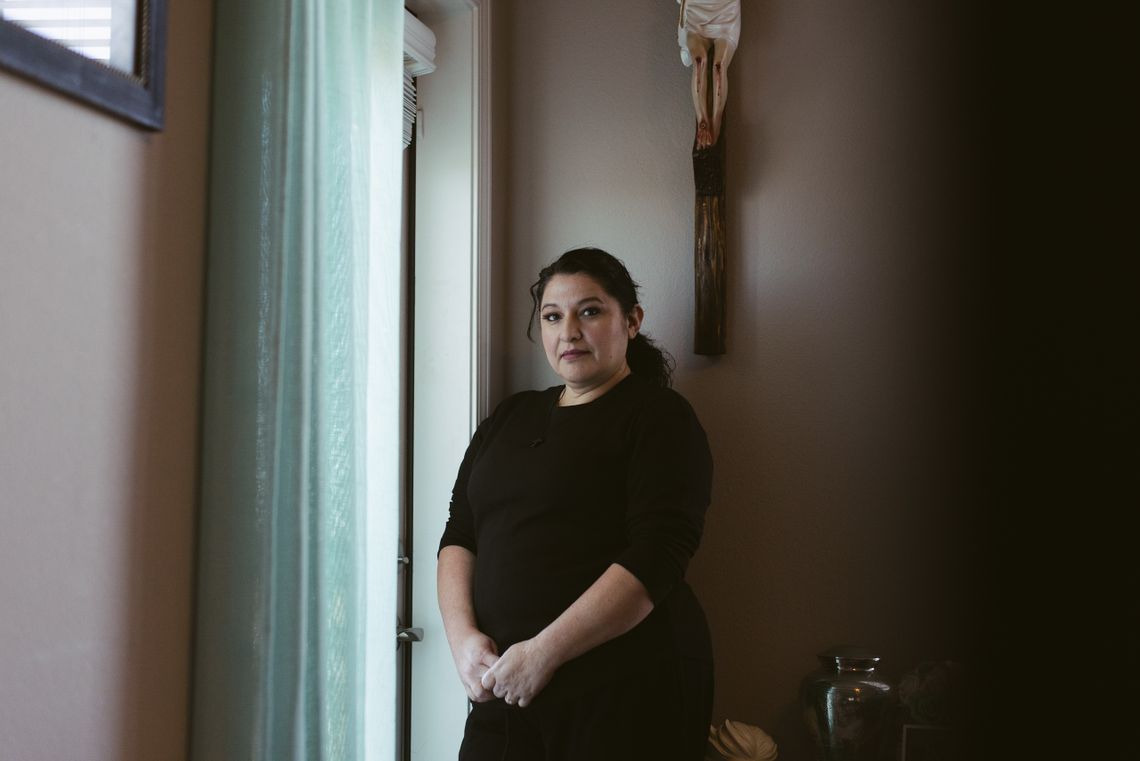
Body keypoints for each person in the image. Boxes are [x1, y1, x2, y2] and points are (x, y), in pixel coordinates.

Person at [437, 247, 715, 760]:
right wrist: (463, 639)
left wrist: (544, 653)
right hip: (506, 685)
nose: (568, 331)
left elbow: (659, 555)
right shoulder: (511, 416)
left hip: (624, 691)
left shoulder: (659, 418)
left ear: (631, 321)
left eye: (590, 311)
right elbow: (460, 532)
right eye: (552, 316)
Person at [676, 0, 741, 149]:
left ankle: (716, 121)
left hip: (726, 13)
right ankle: (702, 120)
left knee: (719, 67)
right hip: (697, 13)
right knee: (700, 63)